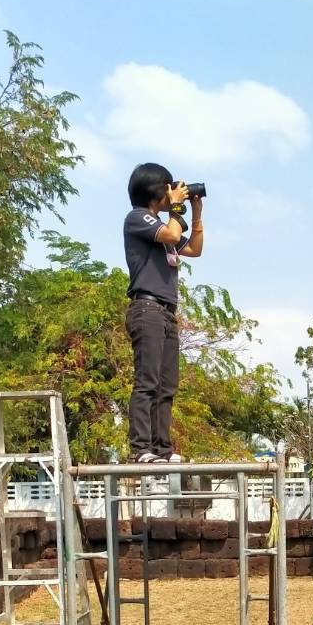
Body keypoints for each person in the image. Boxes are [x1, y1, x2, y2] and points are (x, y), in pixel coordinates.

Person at [123, 161, 204, 464]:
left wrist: (195, 211)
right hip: (147, 308)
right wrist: (176, 208)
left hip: (167, 313)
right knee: (147, 381)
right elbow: (170, 235)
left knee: (166, 385)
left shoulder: (165, 224)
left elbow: (194, 249)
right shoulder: (138, 218)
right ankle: (141, 449)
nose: (175, 193)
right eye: (170, 188)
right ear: (158, 191)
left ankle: (162, 449)